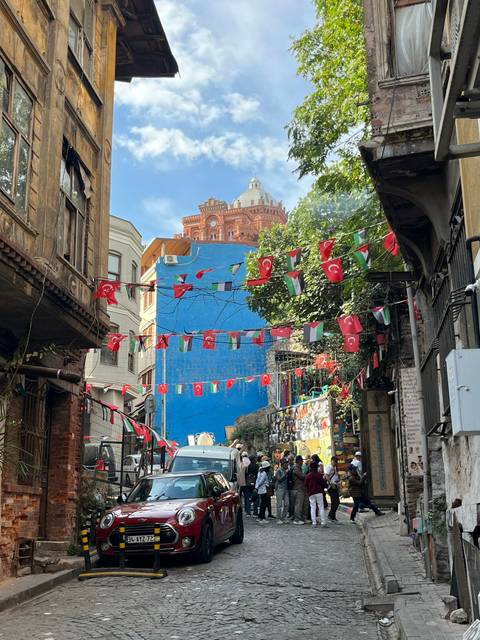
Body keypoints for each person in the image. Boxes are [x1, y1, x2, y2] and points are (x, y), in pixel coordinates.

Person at [305, 461, 328, 528]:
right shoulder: (319, 475)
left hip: (311, 493)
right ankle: (323, 522)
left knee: (313, 507)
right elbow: (323, 483)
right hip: (319, 492)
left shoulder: (308, 475)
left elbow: (305, 484)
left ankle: (314, 522)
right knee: (321, 507)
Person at [325, 456, 341, 523]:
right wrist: (331, 484)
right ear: (331, 461)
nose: (335, 463)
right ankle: (332, 516)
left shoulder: (334, 468)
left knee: (336, 502)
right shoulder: (329, 467)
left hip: (335, 485)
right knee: (335, 501)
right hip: (332, 487)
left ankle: (331, 516)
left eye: (336, 462)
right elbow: (326, 475)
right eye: (334, 461)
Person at [274, 458, 290, 524]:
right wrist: (285, 474)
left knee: (287, 504)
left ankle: (284, 517)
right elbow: (279, 479)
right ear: (282, 464)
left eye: (287, 463)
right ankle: (278, 518)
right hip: (279, 489)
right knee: (279, 504)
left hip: (285, 489)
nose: (287, 465)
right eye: (285, 463)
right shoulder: (279, 471)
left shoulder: (286, 471)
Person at [292, 455, 306, 525]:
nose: (302, 462)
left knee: (300, 504)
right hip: (298, 488)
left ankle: (299, 518)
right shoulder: (296, 468)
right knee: (298, 505)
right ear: (299, 461)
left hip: (300, 488)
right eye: (302, 460)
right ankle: (297, 519)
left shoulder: (299, 468)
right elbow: (302, 476)